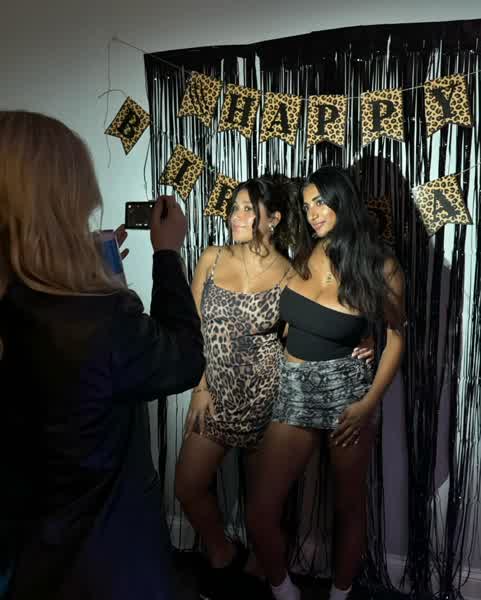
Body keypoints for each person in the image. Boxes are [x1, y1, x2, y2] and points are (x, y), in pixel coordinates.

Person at [0, 111, 204, 600]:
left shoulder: (29, 307)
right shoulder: (98, 319)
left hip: (26, 558)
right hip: (101, 563)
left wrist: (87, 276)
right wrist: (167, 255)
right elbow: (182, 358)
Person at [174, 175, 374, 600]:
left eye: (248, 209)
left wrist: (365, 336)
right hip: (217, 393)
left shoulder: (291, 271)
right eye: (234, 208)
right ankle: (221, 553)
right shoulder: (211, 258)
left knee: (266, 502)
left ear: (274, 219)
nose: (236, 216)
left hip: (269, 393)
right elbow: (191, 330)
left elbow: (314, 318)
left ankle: (261, 575)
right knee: (188, 486)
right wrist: (201, 387)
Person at [246, 166, 406, 600]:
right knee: (260, 511)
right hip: (293, 388)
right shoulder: (302, 253)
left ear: (342, 200)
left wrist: (367, 405)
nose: (313, 213)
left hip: (346, 395)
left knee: (348, 508)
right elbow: (289, 321)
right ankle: (285, 591)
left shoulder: (380, 265)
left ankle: (340, 593)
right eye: (306, 206)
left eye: (320, 202)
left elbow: (397, 338)